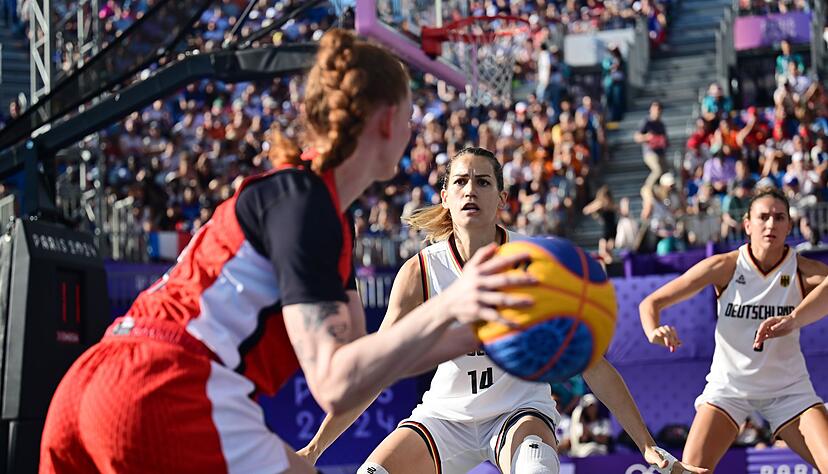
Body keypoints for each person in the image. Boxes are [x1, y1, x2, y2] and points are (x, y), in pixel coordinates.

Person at [39, 30, 537, 474]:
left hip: (92, 381)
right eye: (409, 117)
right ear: (387, 122)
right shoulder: (309, 206)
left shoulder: (308, 206)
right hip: (168, 384)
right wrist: (454, 304)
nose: (412, 131)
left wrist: (479, 334)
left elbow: (364, 366)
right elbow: (336, 383)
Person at [298, 147, 707, 474]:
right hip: (445, 416)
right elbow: (374, 372)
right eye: (460, 182)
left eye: (482, 181)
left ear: (502, 198)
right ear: (445, 197)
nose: (470, 190)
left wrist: (649, 445)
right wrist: (313, 450)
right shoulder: (419, 272)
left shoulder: (538, 262)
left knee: (537, 468)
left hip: (518, 411)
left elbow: (591, 363)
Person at [639, 188, 828, 472]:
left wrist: (794, 319)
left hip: (788, 389)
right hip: (729, 388)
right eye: (763, 217)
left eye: (779, 218)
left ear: (789, 226)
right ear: (747, 224)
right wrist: (654, 330)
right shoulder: (725, 266)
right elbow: (651, 302)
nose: (771, 224)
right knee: (688, 471)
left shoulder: (803, 270)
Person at [582, 185, 617, 263]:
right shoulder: (600, 205)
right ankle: (606, 269)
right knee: (602, 253)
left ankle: (611, 268)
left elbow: (616, 209)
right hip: (605, 231)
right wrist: (597, 205)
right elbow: (586, 210)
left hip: (612, 231)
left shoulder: (611, 205)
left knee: (608, 252)